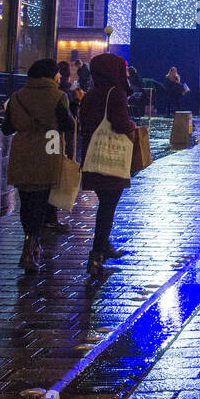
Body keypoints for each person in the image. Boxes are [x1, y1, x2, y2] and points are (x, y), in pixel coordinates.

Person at [2, 59, 76, 272]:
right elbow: (67, 125)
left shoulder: (17, 97)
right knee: (40, 204)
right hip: (48, 152)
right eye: (57, 74)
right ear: (52, 76)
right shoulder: (59, 96)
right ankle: (30, 248)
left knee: (26, 203)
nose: (60, 77)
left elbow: (6, 128)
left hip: (22, 152)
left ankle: (31, 244)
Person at [77, 53, 137, 276]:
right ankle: (96, 255)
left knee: (105, 203)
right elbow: (121, 124)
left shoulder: (90, 95)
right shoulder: (116, 94)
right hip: (110, 158)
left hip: (93, 156)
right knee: (108, 207)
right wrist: (132, 125)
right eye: (124, 68)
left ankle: (104, 246)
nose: (127, 72)